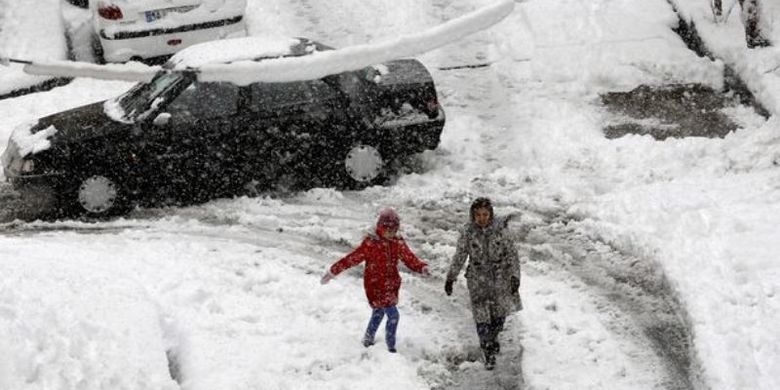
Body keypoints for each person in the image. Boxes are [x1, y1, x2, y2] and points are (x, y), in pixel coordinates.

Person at [321, 208, 429, 353]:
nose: (391, 233)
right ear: (380, 227)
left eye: (394, 230)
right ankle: (391, 348)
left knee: (378, 312)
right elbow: (351, 259)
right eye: (388, 230)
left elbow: (409, 258)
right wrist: (333, 271)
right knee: (393, 315)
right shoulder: (371, 243)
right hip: (375, 285)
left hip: (391, 285)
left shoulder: (397, 242)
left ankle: (368, 339)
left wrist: (421, 267)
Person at [444, 197, 522, 370]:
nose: (481, 218)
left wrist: (515, 277)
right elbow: (460, 256)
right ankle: (487, 350)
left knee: (498, 316)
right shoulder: (468, 232)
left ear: (491, 214)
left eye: (485, 214)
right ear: (473, 215)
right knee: (481, 317)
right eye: (477, 215)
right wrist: (451, 277)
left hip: (500, 279)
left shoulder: (501, 231)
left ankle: (493, 340)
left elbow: (512, 255)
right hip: (477, 280)